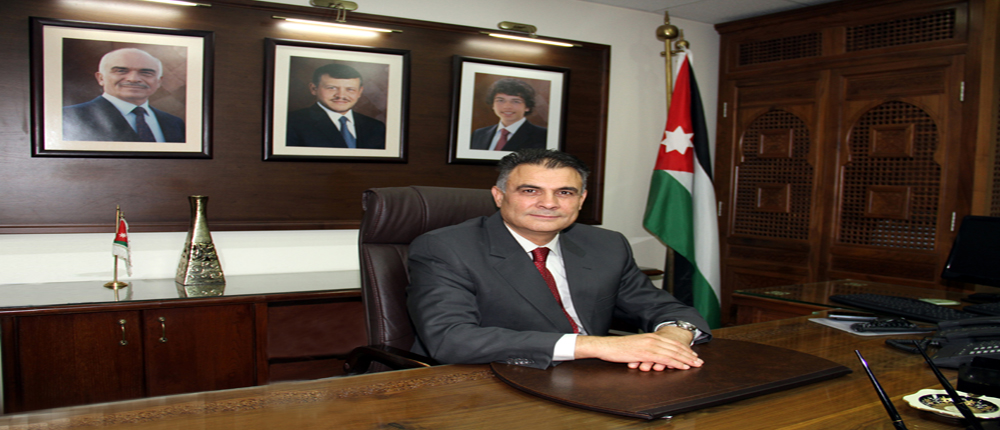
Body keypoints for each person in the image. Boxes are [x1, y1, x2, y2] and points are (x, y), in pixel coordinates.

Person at [407, 149, 711, 371]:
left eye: (565, 192)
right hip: (491, 379)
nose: (549, 203)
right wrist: (598, 345)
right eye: (530, 191)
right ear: (499, 196)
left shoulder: (606, 244)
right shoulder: (446, 248)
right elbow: (451, 339)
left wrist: (673, 337)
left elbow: (664, 308)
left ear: (581, 200)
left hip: (593, 377)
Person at [63, 48, 185, 142]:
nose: (133, 79)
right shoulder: (67, 117)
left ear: (159, 82)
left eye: (146, 73)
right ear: (101, 78)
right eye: (121, 71)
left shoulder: (174, 123)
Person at [286, 63, 386, 149]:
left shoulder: (376, 127)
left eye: (350, 89)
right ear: (314, 89)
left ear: (360, 92)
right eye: (332, 88)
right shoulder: (292, 123)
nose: (341, 95)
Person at [470, 78, 547, 151]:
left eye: (516, 101)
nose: (507, 106)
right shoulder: (478, 134)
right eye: (500, 100)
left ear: (527, 107)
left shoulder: (543, 136)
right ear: (493, 105)